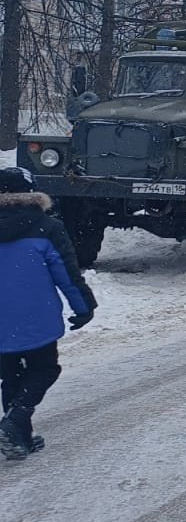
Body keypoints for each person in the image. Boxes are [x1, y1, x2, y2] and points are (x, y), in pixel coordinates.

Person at [0, 167, 97, 460]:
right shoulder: (47, 227)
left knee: (12, 376)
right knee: (44, 369)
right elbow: (67, 274)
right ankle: (15, 422)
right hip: (35, 317)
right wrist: (84, 307)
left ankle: (19, 439)